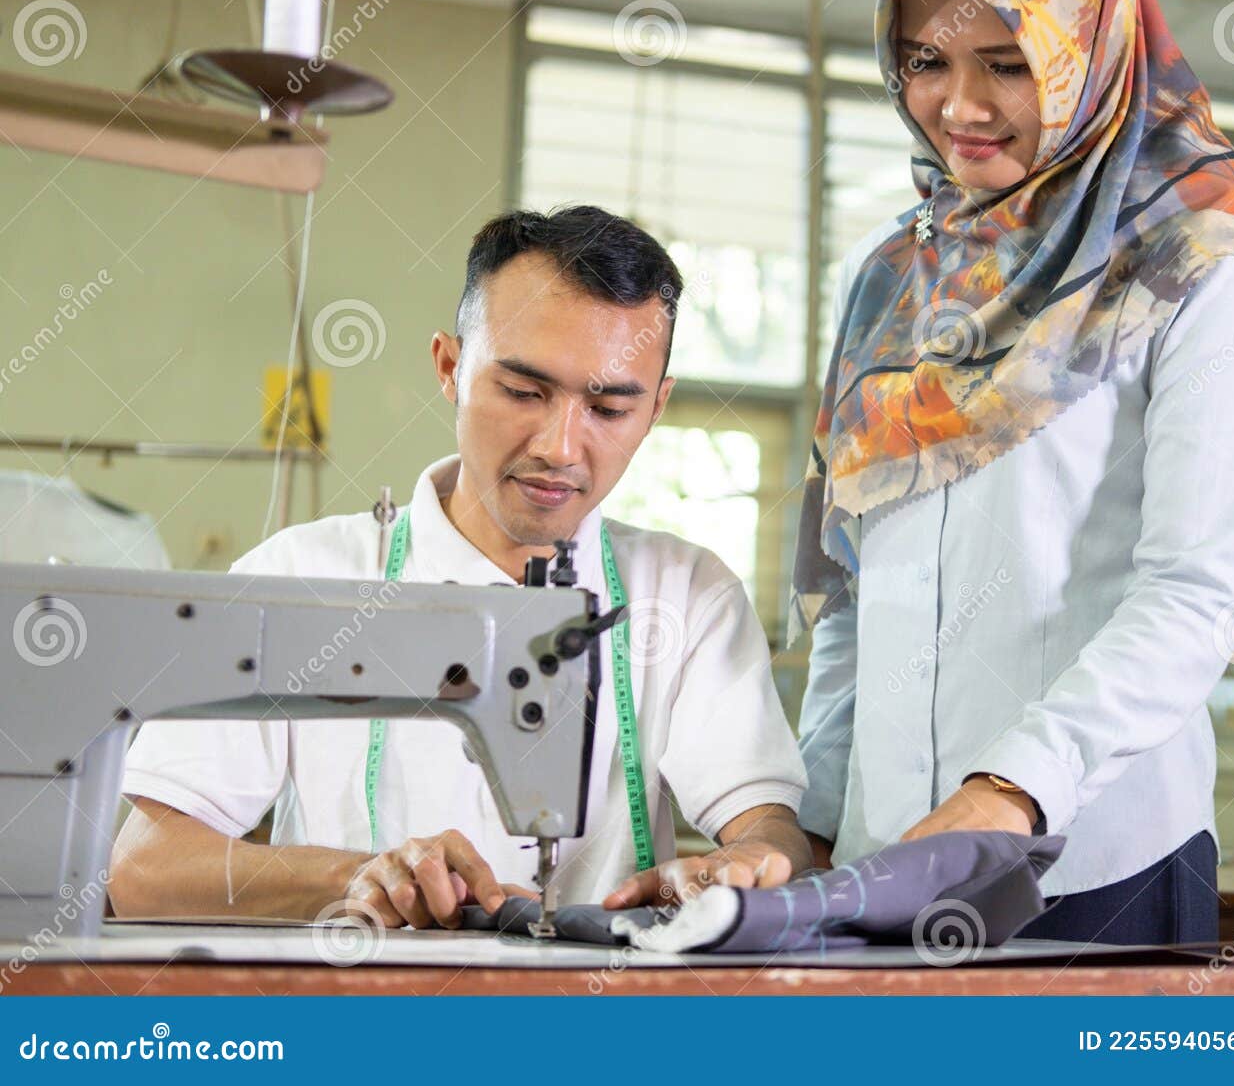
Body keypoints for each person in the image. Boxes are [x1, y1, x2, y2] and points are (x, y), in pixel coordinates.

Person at [791, 0, 1234, 945]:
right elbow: (853, 591)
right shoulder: (889, 279)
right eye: (926, 63)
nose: (960, 108)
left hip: (1093, 863)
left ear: (1094, 53)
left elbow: (1191, 595)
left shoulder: (1198, 258)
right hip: (882, 860)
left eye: (1008, 64)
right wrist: (812, 822)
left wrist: (1011, 790)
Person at [109, 205, 810, 930]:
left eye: (607, 406)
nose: (561, 447)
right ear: (449, 367)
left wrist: (749, 862)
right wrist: (357, 877)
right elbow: (143, 868)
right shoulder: (301, 577)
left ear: (656, 407)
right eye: (523, 392)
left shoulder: (689, 596)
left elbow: (773, 832)